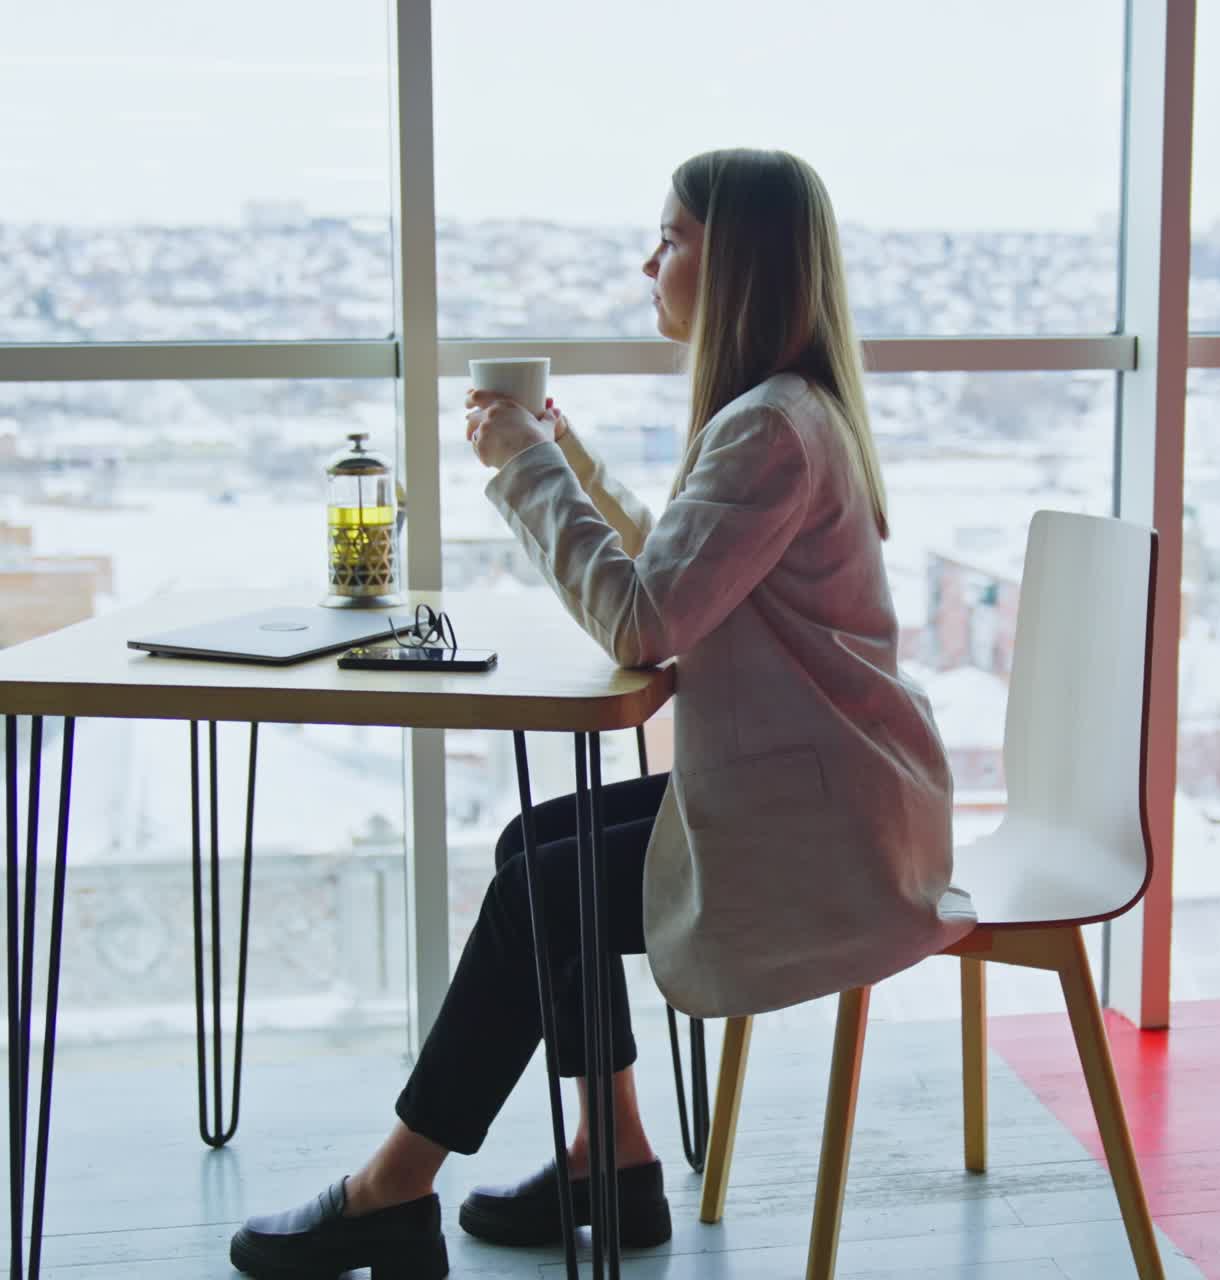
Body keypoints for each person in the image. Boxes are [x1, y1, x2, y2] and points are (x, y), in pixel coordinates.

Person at [229, 148, 977, 1279]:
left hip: (829, 826)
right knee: (532, 846)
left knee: (540, 886)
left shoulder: (769, 429)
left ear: (734, 262)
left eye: (670, 238)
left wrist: (526, 468)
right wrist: (562, 452)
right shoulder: (780, 413)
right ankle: (611, 1158)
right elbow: (678, 567)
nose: (648, 262)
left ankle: (393, 1186)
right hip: (821, 784)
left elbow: (639, 622)